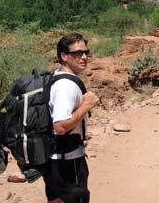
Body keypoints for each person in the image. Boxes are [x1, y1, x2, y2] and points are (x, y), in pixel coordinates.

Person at [40, 33, 99, 203]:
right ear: (64, 56)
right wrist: (87, 105)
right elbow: (60, 126)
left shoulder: (57, 77)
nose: (84, 57)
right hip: (68, 160)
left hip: (55, 158)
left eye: (86, 52)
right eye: (77, 53)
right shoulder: (66, 86)